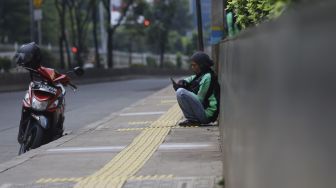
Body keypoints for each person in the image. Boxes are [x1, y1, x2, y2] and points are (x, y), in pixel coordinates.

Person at [173, 51, 220, 126]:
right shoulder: (199, 75)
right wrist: (181, 83)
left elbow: (200, 99)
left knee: (181, 92)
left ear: (202, 65)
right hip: (201, 111)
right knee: (180, 91)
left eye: (194, 65)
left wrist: (186, 90)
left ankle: (192, 119)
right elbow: (187, 80)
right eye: (192, 65)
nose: (192, 67)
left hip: (207, 115)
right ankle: (192, 120)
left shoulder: (208, 77)